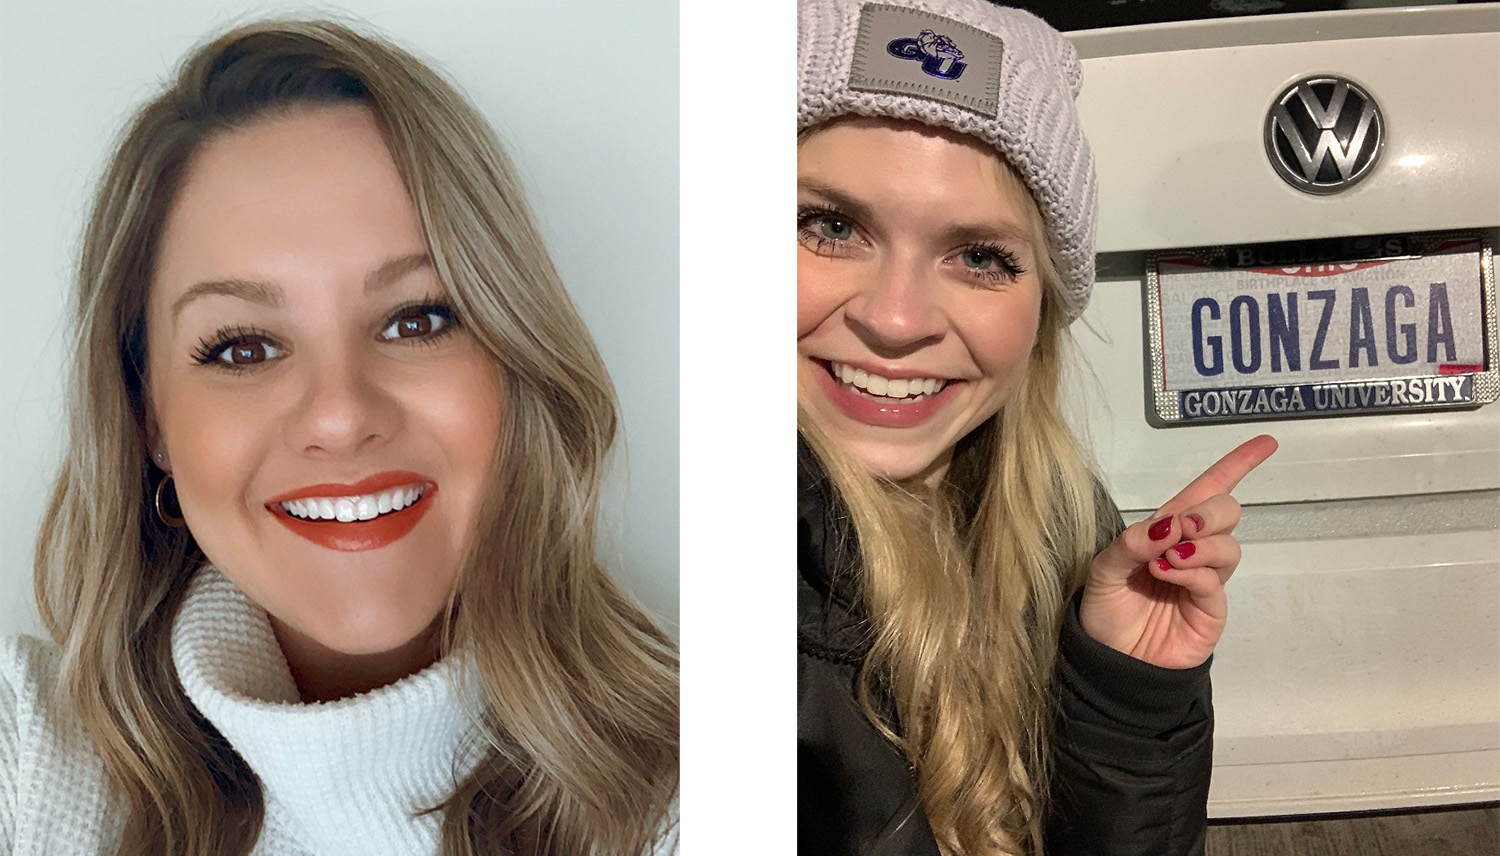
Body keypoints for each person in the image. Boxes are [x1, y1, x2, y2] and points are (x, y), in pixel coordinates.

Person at [0, 19, 677, 856]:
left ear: (516, 360)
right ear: (149, 421)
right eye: (243, 348)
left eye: (415, 320)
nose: (339, 415)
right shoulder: (28, 756)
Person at [795, 1, 1277, 854]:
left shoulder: (1062, 524)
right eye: (829, 227)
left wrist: (1123, 705)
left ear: (1043, 310)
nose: (897, 320)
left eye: (981, 256)